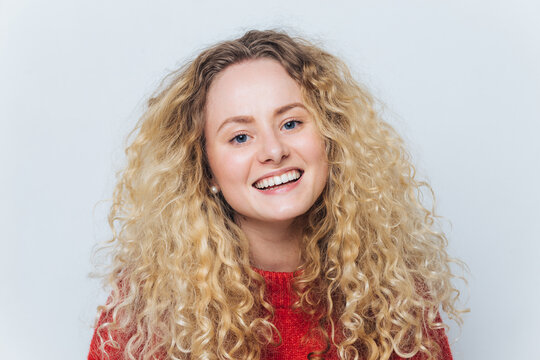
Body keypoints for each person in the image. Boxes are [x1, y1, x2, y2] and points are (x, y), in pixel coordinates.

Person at [88, 29, 464, 360]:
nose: (273, 150)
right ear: (204, 169)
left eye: (291, 123)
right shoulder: (148, 310)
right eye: (240, 136)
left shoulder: (392, 293)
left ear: (332, 138)